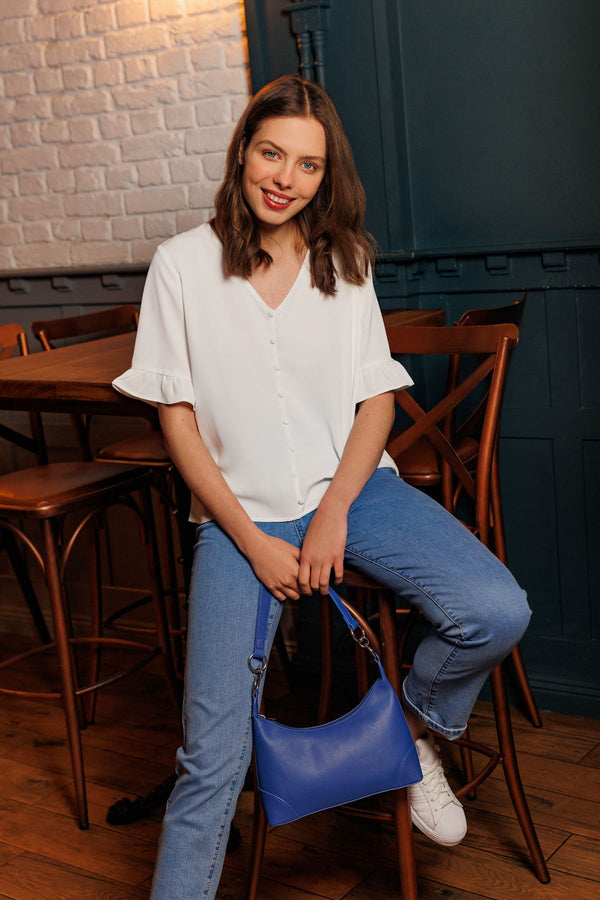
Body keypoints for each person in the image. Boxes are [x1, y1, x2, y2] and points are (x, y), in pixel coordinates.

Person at [113, 74, 531, 899]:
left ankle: (408, 734)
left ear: (324, 176)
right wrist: (253, 539)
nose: (284, 178)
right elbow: (179, 424)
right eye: (272, 153)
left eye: (307, 165)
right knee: (210, 758)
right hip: (240, 518)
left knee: (496, 609)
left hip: (353, 491)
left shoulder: (346, 261)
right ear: (243, 153)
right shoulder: (182, 267)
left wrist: (334, 511)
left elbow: (376, 401)